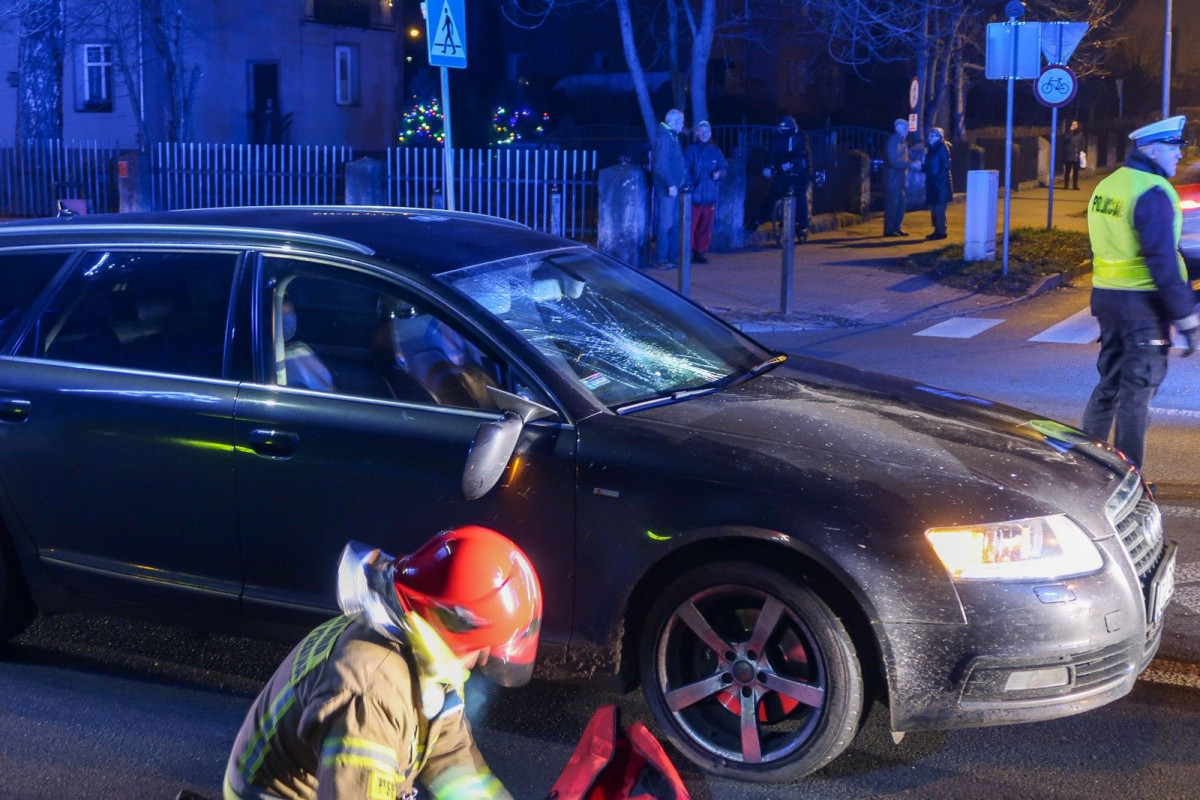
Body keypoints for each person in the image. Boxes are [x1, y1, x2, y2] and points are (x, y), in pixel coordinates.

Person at [224, 526, 542, 800]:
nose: (478, 663)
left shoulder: (425, 651)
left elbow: (450, 759)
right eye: (482, 651)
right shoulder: (371, 690)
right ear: (456, 627)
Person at [1080, 115, 1198, 471]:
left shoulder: (1109, 186)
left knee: (1109, 387)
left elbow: (1106, 248)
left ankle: (1089, 468)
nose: (1179, 155)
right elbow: (1160, 259)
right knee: (1136, 397)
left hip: (1109, 304)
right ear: (1150, 149)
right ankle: (1127, 480)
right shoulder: (1153, 191)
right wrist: (1186, 317)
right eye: (1173, 148)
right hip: (1143, 311)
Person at [749, 115, 811, 242]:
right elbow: (772, 154)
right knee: (773, 194)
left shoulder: (801, 136)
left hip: (800, 170)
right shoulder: (777, 136)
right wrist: (768, 167)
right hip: (782, 169)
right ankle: (756, 221)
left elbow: (802, 154)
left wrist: (792, 164)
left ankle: (803, 226)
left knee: (800, 197)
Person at [685, 120, 727, 264]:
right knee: (691, 227)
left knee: (705, 228)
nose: (704, 134)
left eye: (707, 132)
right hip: (695, 197)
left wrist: (719, 173)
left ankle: (700, 253)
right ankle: (687, 253)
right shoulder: (691, 150)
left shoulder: (715, 151)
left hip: (709, 197)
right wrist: (691, 187)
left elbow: (724, 167)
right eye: (701, 131)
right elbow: (685, 170)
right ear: (697, 133)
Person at [651, 108, 687, 269]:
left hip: (673, 188)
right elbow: (661, 165)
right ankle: (662, 259)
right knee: (666, 224)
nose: (683, 124)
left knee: (673, 223)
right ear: (673, 122)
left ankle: (672, 257)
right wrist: (671, 184)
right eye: (681, 121)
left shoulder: (671, 137)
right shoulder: (666, 138)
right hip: (668, 189)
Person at [883, 118, 921, 237]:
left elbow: (901, 160)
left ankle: (897, 227)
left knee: (900, 203)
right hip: (893, 176)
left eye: (907, 128)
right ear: (898, 128)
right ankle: (889, 229)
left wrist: (910, 163)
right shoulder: (894, 140)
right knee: (893, 202)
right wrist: (911, 164)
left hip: (900, 176)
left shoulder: (902, 141)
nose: (907, 130)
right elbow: (894, 161)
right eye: (905, 128)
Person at [921, 127, 952, 241]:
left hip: (940, 184)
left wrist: (938, 179)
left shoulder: (941, 147)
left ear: (939, 137)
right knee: (934, 208)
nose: (929, 138)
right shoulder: (932, 148)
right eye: (929, 135)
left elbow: (945, 166)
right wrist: (923, 167)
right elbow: (931, 165)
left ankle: (941, 231)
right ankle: (937, 230)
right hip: (934, 183)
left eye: (932, 136)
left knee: (939, 209)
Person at [1063, 120, 1084, 190]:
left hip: (1076, 155)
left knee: (1076, 172)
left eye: (1076, 124)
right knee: (1067, 171)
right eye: (1073, 124)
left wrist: (1081, 151)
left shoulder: (1080, 134)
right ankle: (1066, 185)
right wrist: (1071, 131)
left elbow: (1082, 143)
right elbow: (1065, 139)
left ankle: (1075, 185)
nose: (1074, 126)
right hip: (1069, 155)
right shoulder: (1068, 133)